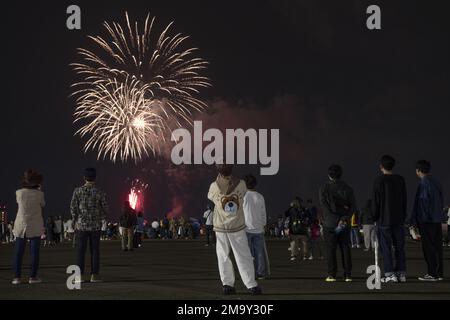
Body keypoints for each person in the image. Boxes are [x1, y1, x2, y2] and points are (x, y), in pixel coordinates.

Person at [207, 164, 261, 295]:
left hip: (221, 227)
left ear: (218, 171)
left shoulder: (214, 186)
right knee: (243, 256)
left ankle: (227, 284)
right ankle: (251, 285)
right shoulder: (241, 184)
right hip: (236, 226)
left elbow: (211, 197)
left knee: (223, 256)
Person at [372, 155, 407, 283]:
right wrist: (403, 216)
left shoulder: (379, 181)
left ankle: (389, 273)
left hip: (383, 219)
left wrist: (374, 216)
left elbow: (376, 202)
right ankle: (401, 273)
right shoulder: (400, 180)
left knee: (386, 248)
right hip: (398, 219)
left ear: (381, 166)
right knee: (399, 247)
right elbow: (404, 200)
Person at [409, 160, 445, 281]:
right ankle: (439, 273)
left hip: (427, 221)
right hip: (437, 219)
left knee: (428, 248)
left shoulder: (424, 184)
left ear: (418, 171)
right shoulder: (436, 182)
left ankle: (432, 273)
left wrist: (417, 220)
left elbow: (423, 204)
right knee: (437, 248)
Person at [319, 164, 356, 282]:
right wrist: (344, 219)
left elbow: (325, 207)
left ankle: (332, 274)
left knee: (330, 249)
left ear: (329, 174)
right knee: (345, 248)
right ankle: (348, 274)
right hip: (343, 223)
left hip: (330, 223)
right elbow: (353, 207)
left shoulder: (323, 188)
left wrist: (333, 220)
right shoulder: (348, 188)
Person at [70, 168, 108, 283]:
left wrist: (75, 219)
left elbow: (73, 207)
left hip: (81, 225)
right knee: (95, 250)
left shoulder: (77, 191)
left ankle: (79, 276)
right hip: (95, 225)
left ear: (84, 178)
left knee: (80, 251)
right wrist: (100, 217)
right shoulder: (99, 192)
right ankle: (94, 275)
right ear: (95, 178)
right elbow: (105, 208)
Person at [11, 169, 45, 285]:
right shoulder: (40, 194)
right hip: (35, 225)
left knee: (18, 252)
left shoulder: (19, 193)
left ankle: (16, 277)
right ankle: (33, 277)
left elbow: (19, 202)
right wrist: (39, 190)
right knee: (34, 252)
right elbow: (43, 204)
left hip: (21, 225)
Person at [243, 174, 268, 279]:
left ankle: (249, 273)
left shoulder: (243, 196)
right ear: (255, 184)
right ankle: (260, 272)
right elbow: (263, 213)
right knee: (259, 253)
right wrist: (263, 224)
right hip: (258, 229)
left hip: (246, 228)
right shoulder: (260, 196)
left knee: (247, 254)